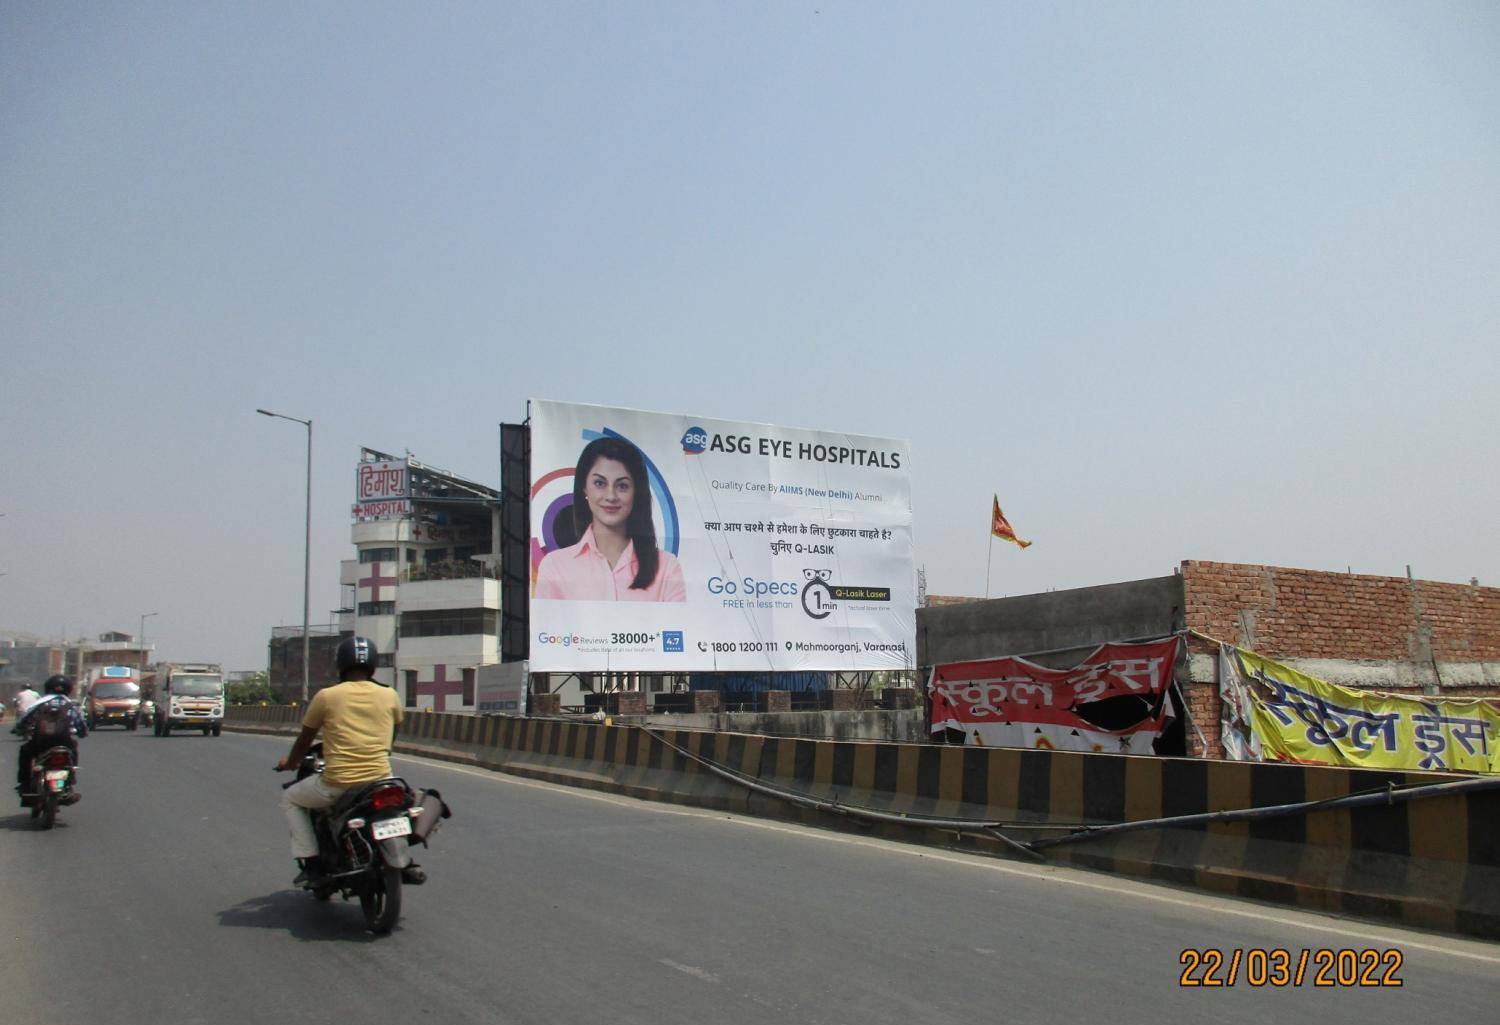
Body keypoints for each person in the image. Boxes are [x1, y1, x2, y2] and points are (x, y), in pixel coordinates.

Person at [274, 636, 422, 886]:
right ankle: (402, 857)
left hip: (338, 783)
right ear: (373, 664)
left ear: (340, 664)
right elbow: (391, 736)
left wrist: (290, 762)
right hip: (381, 779)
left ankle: (310, 862)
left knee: (290, 799)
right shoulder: (390, 695)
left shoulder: (326, 696)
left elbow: (304, 740)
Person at [534, 436, 686, 602]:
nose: (611, 496)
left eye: (622, 486)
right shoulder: (555, 566)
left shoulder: (667, 567)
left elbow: (677, 627)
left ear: (636, 492)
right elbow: (551, 627)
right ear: (584, 488)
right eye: (600, 483)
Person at [15, 675, 86, 802]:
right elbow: (81, 725)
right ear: (68, 689)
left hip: (41, 744)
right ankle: (70, 780)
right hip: (64, 744)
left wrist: (19, 729)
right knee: (73, 750)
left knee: (25, 752)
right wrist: (82, 733)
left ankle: (24, 785)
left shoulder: (40, 704)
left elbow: (24, 721)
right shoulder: (71, 705)